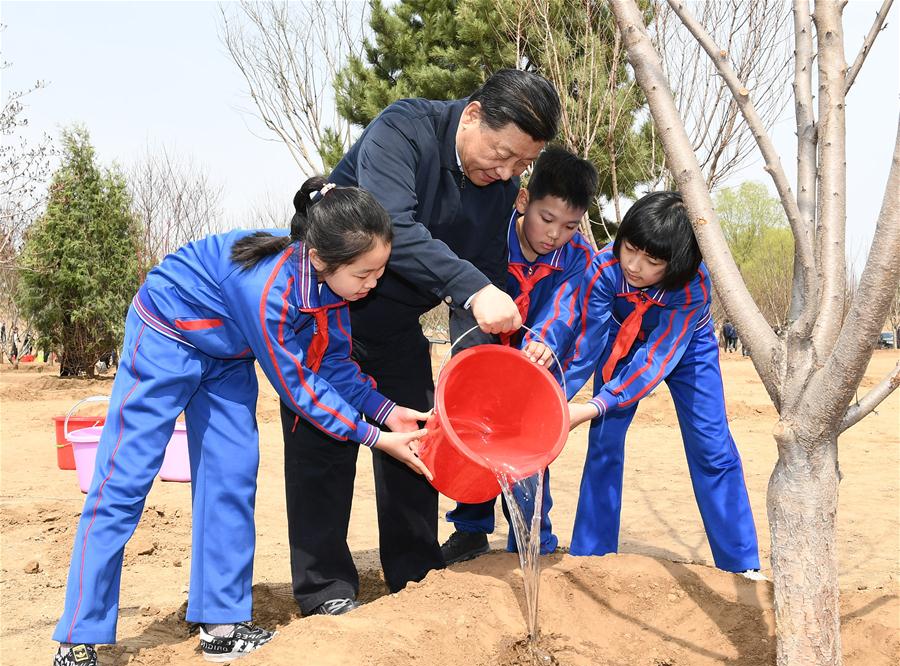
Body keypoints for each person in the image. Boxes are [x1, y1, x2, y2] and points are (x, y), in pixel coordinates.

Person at [51, 178, 432, 666]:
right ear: (321, 257)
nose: (372, 283)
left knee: (232, 476)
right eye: (365, 273)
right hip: (167, 331)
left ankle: (223, 625)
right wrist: (376, 438)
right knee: (123, 480)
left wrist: (390, 411)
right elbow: (300, 390)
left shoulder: (336, 287)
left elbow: (337, 366)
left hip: (226, 355)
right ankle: (75, 644)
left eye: (379, 271)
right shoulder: (269, 288)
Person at [281, 69, 561, 616]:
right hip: (323, 320)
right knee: (324, 447)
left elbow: (483, 266)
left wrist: (489, 349)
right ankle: (326, 590)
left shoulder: (498, 189)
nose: (506, 171)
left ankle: (413, 575)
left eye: (520, 164)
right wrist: (476, 290)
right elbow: (397, 229)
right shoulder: (403, 130)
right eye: (501, 153)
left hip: (393, 329)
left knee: (418, 441)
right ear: (475, 114)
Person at [566, 192, 760, 576]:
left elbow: (656, 359)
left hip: (687, 348)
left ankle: (740, 565)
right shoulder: (604, 268)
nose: (634, 266)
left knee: (712, 447)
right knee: (604, 442)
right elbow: (587, 343)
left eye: (652, 261)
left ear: (678, 265)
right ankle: (592, 555)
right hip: (621, 340)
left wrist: (597, 405)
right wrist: (559, 397)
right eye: (630, 249)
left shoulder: (692, 287)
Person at [440, 146, 598, 564]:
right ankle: (470, 529)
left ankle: (531, 538)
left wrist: (546, 338)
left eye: (569, 226)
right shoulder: (490, 233)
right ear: (524, 200)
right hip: (481, 353)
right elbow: (465, 292)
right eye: (546, 219)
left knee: (528, 444)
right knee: (474, 432)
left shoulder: (578, 257)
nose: (554, 235)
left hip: (533, 364)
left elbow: (566, 305)